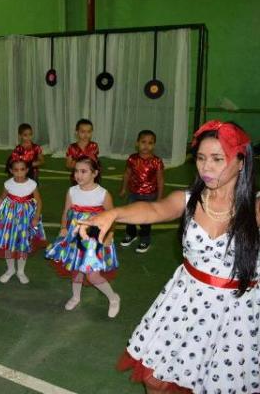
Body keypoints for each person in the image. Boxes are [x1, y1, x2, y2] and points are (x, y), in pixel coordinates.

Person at [78, 121, 260, 393]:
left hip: (234, 315)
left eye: (217, 159)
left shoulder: (255, 208)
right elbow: (153, 210)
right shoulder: (188, 200)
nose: (206, 167)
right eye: (200, 158)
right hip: (185, 304)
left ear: (242, 162)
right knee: (155, 380)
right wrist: (112, 214)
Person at [45, 156, 120, 317]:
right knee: (76, 269)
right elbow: (66, 211)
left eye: (83, 171)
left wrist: (110, 235)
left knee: (92, 274)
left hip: (94, 239)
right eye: (76, 171)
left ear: (95, 173)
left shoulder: (102, 194)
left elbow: (112, 216)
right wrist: (64, 227)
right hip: (75, 236)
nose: (78, 175)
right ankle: (76, 296)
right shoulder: (72, 191)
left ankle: (113, 298)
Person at [0, 156, 45, 284]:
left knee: (23, 244)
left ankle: (21, 271)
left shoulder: (32, 184)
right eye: (16, 170)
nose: (19, 173)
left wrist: (36, 216)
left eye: (22, 169)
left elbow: (38, 201)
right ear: (11, 171)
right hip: (9, 219)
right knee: (8, 244)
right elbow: (1, 198)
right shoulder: (8, 184)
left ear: (27, 170)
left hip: (25, 219)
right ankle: (10, 269)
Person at [119, 130, 165, 253]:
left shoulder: (157, 161)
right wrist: (124, 188)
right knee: (129, 215)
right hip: (134, 193)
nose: (146, 145)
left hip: (150, 195)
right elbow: (127, 174)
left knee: (146, 219)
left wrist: (160, 198)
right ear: (137, 143)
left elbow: (160, 179)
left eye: (150, 143)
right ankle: (131, 234)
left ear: (154, 145)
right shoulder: (132, 159)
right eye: (143, 142)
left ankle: (145, 239)